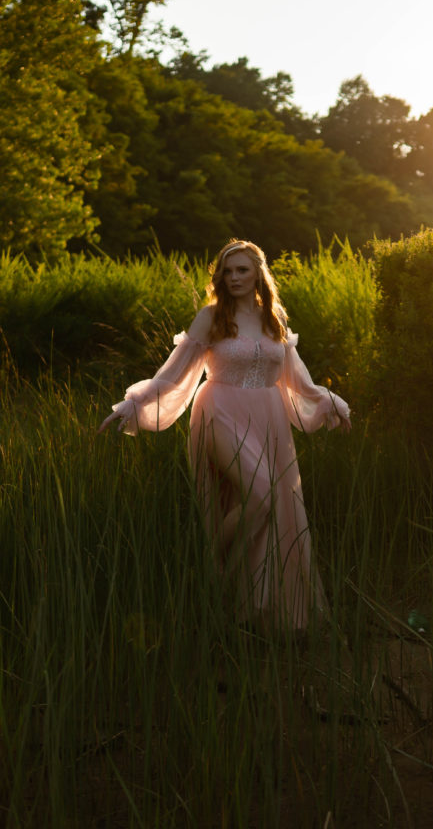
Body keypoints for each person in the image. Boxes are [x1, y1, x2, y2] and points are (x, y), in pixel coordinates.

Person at [98, 239, 351, 631]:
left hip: (268, 417)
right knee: (262, 494)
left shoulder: (274, 318)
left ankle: (234, 597)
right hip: (220, 411)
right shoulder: (212, 316)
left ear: (258, 274)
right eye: (227, 271)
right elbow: (175, 371)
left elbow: (296, 377)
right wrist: (134, 403)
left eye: (242, 270)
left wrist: (329, 403)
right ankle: (213, 570)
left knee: (269, 504)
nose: (233, 278)